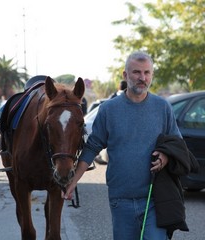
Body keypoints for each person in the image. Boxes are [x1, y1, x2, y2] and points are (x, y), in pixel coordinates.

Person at [63, 51, 186, 239]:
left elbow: (177, 144)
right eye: (136, 72)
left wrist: (166, 156)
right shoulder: (108, 109)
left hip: (155, 198)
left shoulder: (163, 107)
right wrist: (73, 181)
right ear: (125, 75)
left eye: (147, 73)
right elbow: (92, 146)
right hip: (121, 200)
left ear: (152, 75)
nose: (142, 78)